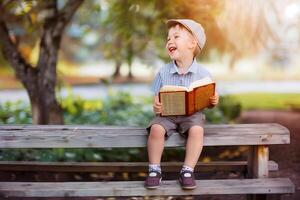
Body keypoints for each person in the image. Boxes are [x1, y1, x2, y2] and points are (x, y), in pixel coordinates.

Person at [144, 19, 219, 190]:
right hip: (168, 114)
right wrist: (156, 106)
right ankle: (154, 169)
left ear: (192, 44)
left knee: (197, 130)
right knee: (156, 129)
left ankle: (187, 170)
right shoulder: (163, 71)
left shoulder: (203, 73)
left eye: (176, 37)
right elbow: (156, 97)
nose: (169, 41)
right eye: (168, 38)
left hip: (193, 115)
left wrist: (213, 100)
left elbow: (212, 98)